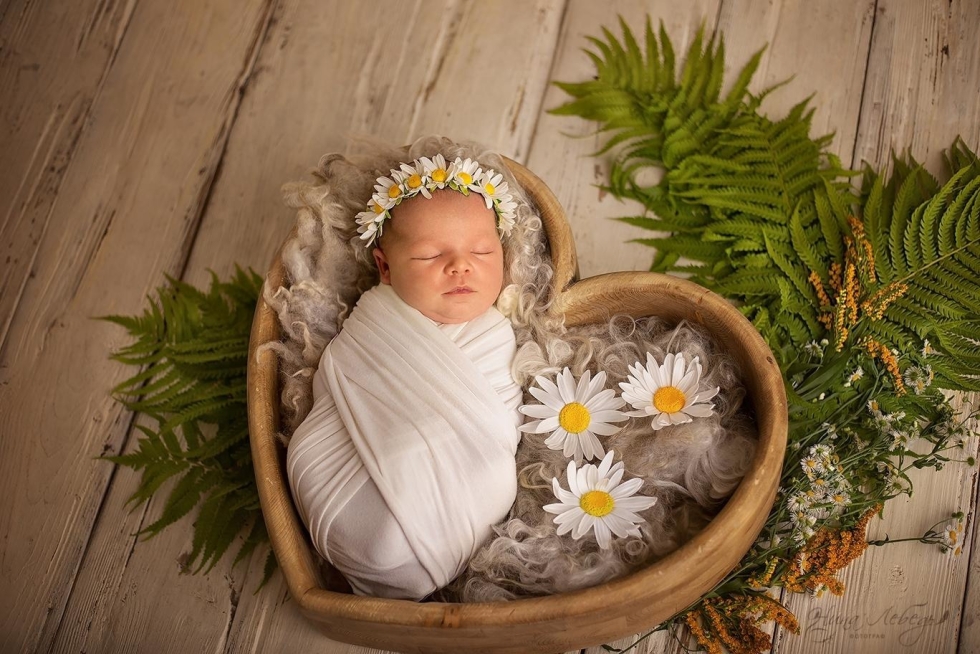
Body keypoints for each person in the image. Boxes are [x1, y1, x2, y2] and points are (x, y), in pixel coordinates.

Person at [286, 155, 524, 600]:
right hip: (339, 483)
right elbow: (340, 383)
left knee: (482, 467)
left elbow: (501, 425)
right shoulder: (373, 323)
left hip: (461, 477)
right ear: (386, 267)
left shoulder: (496, 335)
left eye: (481, 251)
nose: (460, 266)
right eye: (431, 254)